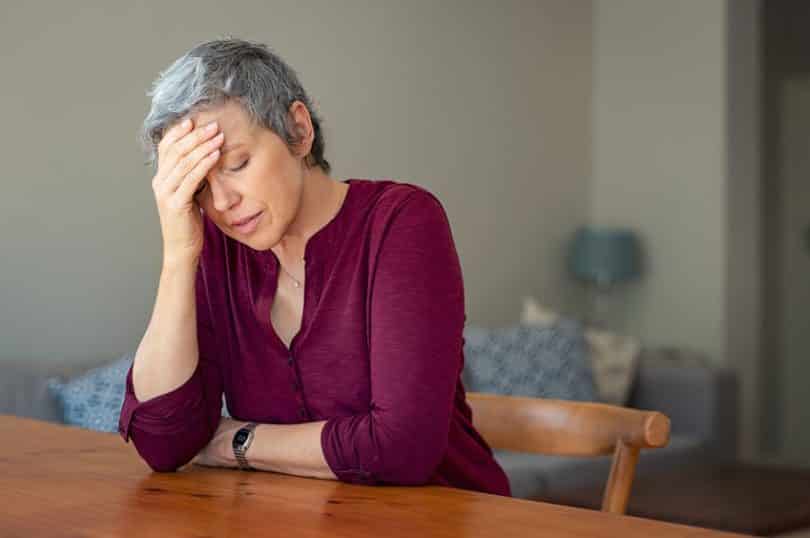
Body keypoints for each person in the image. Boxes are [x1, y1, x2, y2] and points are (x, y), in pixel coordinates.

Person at [118, 37, 511, 497]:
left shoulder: (401, 222)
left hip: (447, 518)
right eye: (198, 188)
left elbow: (403, 448)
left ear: (298, 130)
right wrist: (178, 255)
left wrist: (233, 441)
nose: (222, 203)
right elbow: (163, 444)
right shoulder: (216, 250)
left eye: (237, 164)